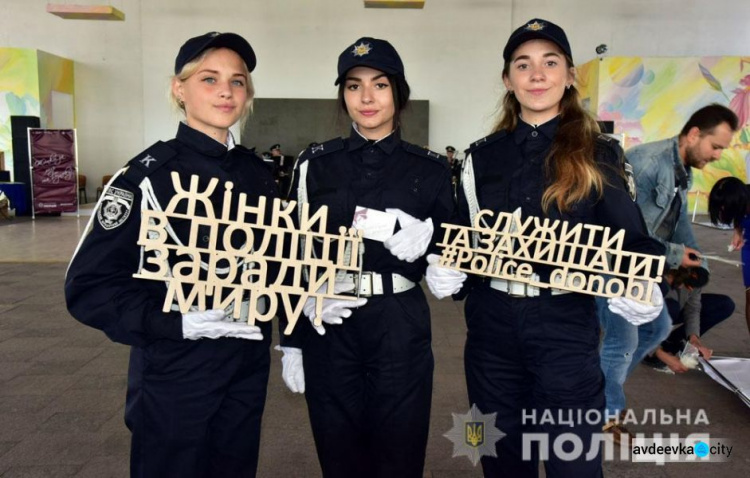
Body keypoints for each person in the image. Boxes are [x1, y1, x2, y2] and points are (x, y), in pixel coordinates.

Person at [426, 18, 665, 477]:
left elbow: (632, 239)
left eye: (549, 62)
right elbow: (460, 234)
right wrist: (445, 264)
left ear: (569, 74)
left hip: (564, 324)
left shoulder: (599, 153)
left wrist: (643, 280)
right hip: (490, 328)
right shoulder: (480, 157)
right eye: (523, 64)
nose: (537, 74)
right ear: (507, 79)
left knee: (573, 463)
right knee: (498, 459)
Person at [65, 32, 277, 478]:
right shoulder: (148, 176)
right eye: (209, 78)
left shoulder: (259, 176)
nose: (225, 90)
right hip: (176, 366)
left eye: (237, 82)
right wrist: (174, 323)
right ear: (179, 89)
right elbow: (89, 286)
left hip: (246, 364)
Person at [277, 37, 454, 478]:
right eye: (354, 86)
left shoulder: (430, 169)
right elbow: (291, 252)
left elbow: (455, 253)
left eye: (379, 85)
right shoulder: (314, 165)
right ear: (343, 95)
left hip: (399, 321)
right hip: (328, 318)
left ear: (399, 92)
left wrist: (431, 238)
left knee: (401, 447)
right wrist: (293, 337)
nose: (367, 97)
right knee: (337, 449)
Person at [597, 103, 738, 441]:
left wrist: (697, 259)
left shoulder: (679, 171)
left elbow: (678, 226)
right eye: (715, 146)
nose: (718, 155)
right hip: (613, 261)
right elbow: (629, 230)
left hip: (638, 265)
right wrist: (675, 255)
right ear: (693, 135)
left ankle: (598, 393)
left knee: (656, 328)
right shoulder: (649, 164)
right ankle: (603, 412)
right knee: (624, 339)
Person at [709, 175, 750, 334]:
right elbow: (738, 216)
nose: (722, 211)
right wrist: (738, 231)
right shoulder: (743, 195)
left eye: (723, 207)